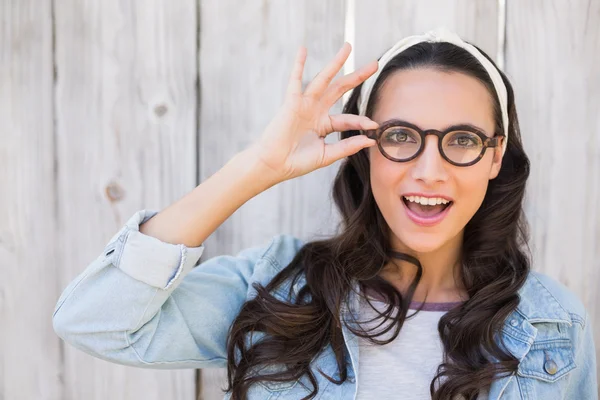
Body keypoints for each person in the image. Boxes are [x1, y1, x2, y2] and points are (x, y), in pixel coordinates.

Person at [52, 28, 597, 400]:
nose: (430, 170)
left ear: (495, 155)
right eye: (401, 136)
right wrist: (256, 168)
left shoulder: (552, 326)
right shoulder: (277, 290)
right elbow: (96, 320)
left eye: (461, 140)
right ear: (363, 147)